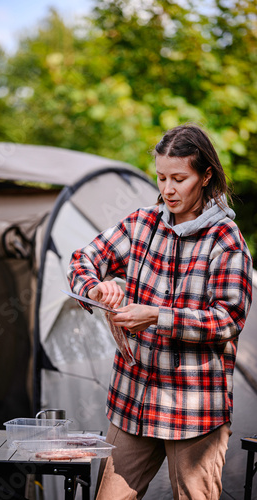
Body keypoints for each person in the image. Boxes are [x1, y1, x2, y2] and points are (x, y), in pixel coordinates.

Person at [67, 124, 253, 500]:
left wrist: (156, 316)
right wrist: (97, 288)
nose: (168, 189)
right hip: (132, 399)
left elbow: (227, 320)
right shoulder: (141, 224)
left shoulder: (226, 241)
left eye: (179, 178)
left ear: (206, 176)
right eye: (161, 177)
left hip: (195, 409)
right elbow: (81, 260)